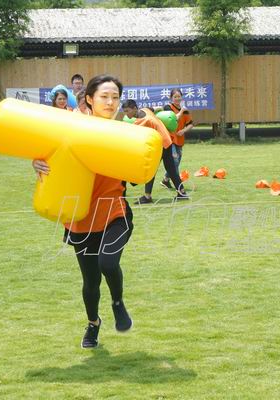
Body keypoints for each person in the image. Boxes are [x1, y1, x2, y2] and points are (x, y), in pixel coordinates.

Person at [32, 75, 133, 349]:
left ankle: (118, 303)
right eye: (104, 96)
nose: (110, 102)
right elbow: (45, 150)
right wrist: (37, 162)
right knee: (90, 281)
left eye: (115, 97)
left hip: (114, 212)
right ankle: (93, 324)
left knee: (108, 263)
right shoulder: (70, 127)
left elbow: (137, 174)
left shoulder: (127, 134)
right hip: (80, 218)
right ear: (89, 98)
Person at [120, 100, 188, 204]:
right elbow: (157, 108)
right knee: (170, 169)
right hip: (166, 141)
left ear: (134, 108)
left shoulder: (141, 122)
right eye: (124, 111)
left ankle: (147, 196)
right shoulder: (145, 110)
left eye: (127, 111)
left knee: (151, 170)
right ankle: (182, 193)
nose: (126, 114)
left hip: (161, 144)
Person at [160, 88, 194, 189]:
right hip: (170, 139)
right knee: (174, 161)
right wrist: (182, 111)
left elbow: (191, 124)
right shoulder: (167, 107)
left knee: (176, 162)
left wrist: (183, 130)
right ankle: (179, 186)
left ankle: (166, 180)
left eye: (179, 96)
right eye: (175, 97)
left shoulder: (185, 110)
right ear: (171, 98)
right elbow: (173, 119)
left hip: (180, 140)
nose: (177, 98)